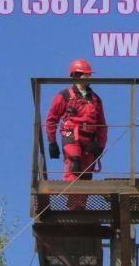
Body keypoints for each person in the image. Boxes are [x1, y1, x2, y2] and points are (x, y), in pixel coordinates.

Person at [45, 59, 107, 211]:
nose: (89, 77)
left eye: (89, 75)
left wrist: (100, 145)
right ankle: (72, 205)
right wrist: (52, 142)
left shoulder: (95, 99)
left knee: (86, 173)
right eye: (86, 75)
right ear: (77, 75)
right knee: (74, 164)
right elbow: (51, 119)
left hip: (90, 140)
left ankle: (79, 207)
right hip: (71, 135)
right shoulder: (65, 95)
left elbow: (102, 125)